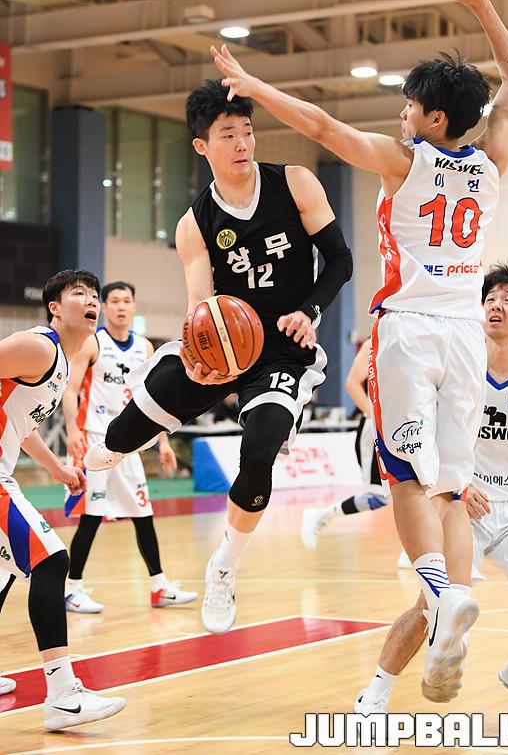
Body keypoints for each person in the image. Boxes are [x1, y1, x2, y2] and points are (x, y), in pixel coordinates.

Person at [211, 0, 508, 686]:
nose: (402, 114)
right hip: (465, 334)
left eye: (410, 106)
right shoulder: (493, 161)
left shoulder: (403, 162)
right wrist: (484, 8)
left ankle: (440, 591)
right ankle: (452, 595)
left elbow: (322, 126)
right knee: (449, 484)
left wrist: (258, 87)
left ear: (433, 119)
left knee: (405, 478)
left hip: (409, 329)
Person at [84, 79, 353, 635]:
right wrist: (201, 355)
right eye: (228, 134)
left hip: (285, 352)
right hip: (226, 343)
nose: (242, 143)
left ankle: (224, 566)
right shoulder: (195, 223)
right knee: (119, 437)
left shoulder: (294, 183)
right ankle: (116, 446)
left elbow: (340, 262)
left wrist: (310, 311)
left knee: (259, 449)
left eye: (247, 131)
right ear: (202, 145)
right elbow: (200, 304)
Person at [354, 263, 508, 717]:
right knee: (433, 606)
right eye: (489, 299)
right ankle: (376, 691)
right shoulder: (457, 362)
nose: (495, 306)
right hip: (461, 505)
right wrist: (458, 483)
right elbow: (427, 436)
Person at [0, 270, 125, 729]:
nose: (91, 301)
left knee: (3, 573)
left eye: (95, 295)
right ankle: (62, 696)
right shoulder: (39, 347)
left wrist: (56, 468)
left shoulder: (63, 366)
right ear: (54, 306)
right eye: (80, 293)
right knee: (52, 561)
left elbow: (21, 424)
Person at [62, 281, 198, 613]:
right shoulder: (93, 343)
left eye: (126, 301)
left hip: (129, 443)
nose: (121, 306)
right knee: (91, 516)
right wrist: (71, 429)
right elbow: (71, 388)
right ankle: (71, 589)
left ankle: (159, 587)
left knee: (143, 514)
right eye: (114, 301)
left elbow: (154, 400)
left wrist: (163, 442)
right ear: (104, 307)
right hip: (94, 438)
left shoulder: (145, 348)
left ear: (134, 307)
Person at [301, 337, 388, 550]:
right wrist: (375, 417)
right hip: (375, 430)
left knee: (418, 490)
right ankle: (321, 515)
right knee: (377, 496)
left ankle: (417, 551)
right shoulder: (374, 343)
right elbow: (352, 383)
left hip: (406, 428)